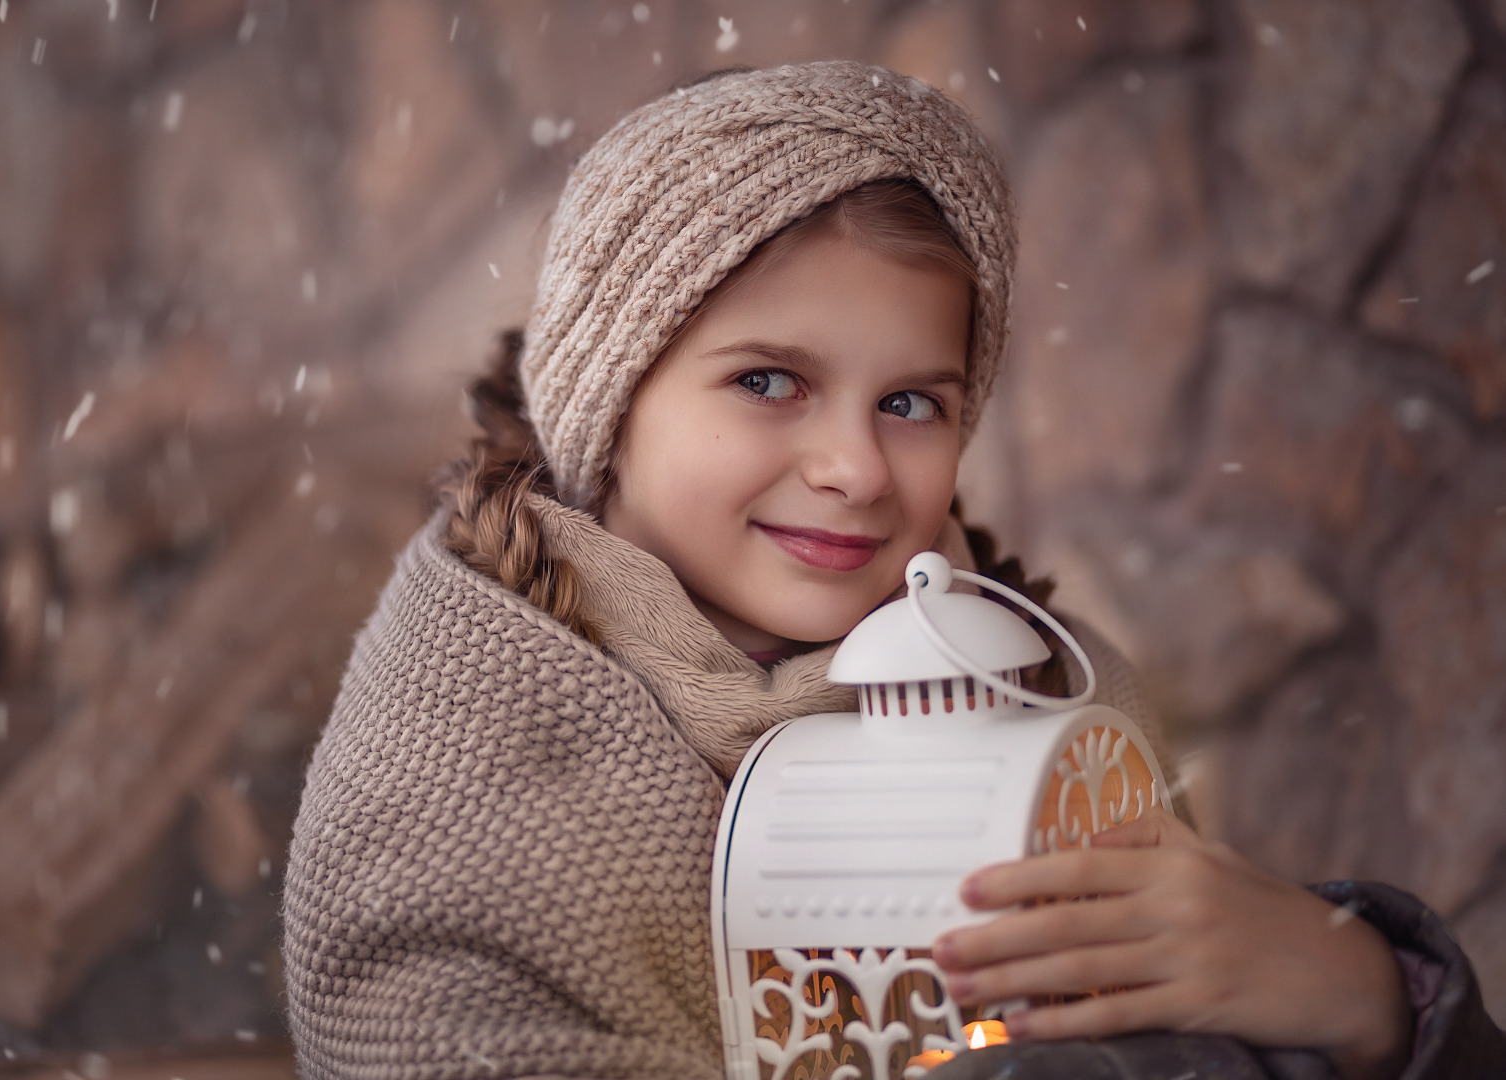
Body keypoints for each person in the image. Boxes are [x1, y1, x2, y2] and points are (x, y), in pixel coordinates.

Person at [281, 62, 1505, 1080]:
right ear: (608, 402)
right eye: (769, 381)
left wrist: (1365, 993)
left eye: (912, 401)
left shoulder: (1039, 692)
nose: (857, 468)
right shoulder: (458, 755)